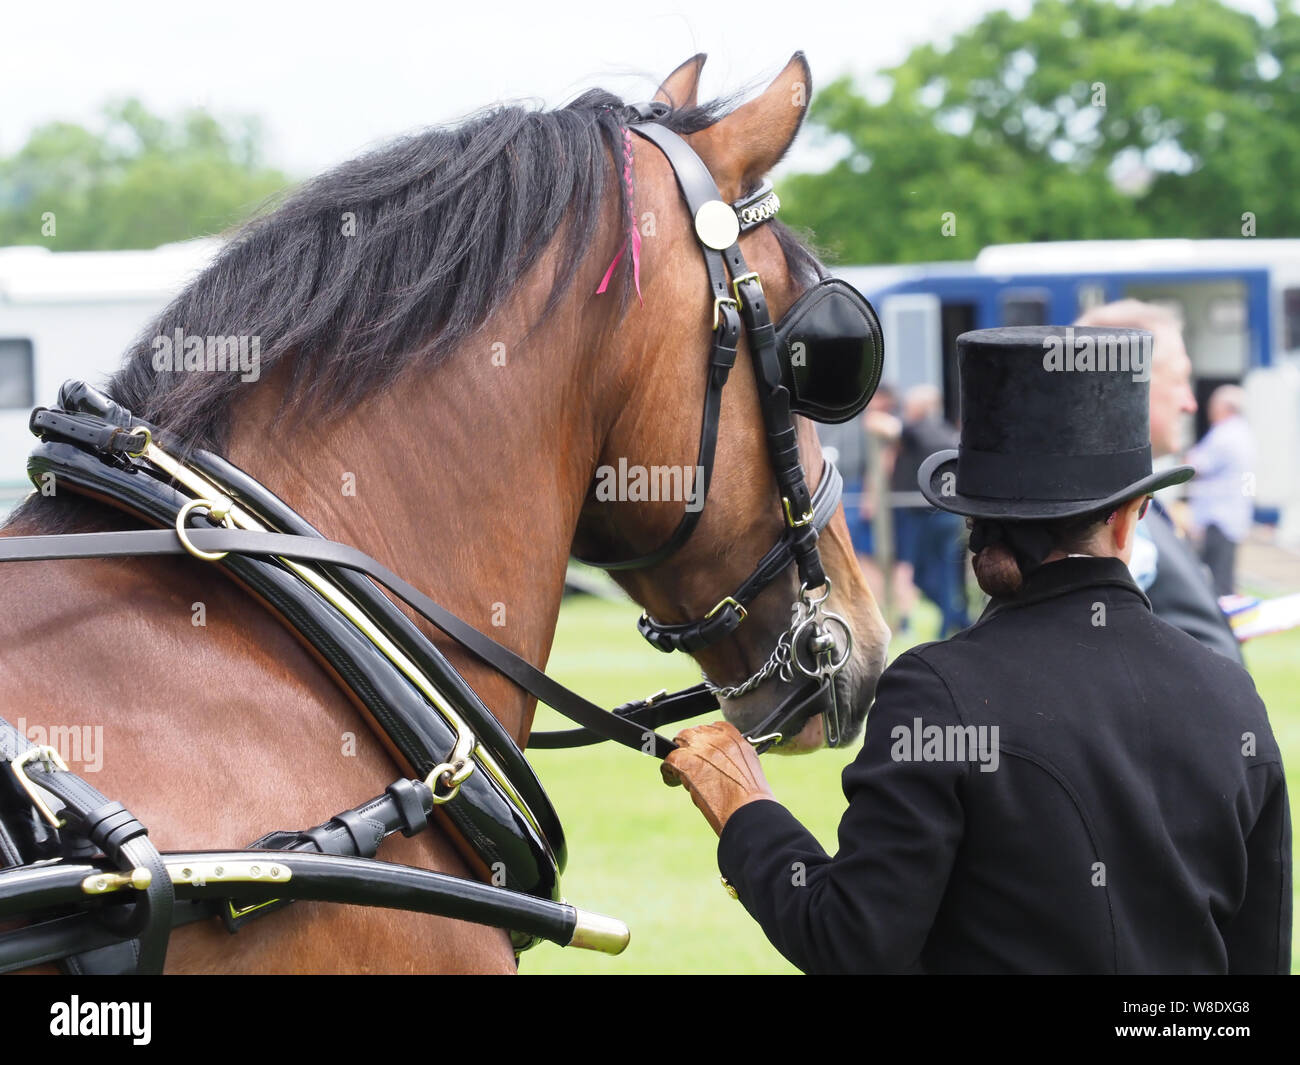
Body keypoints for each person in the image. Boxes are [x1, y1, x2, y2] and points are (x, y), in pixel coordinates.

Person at [662, 325, 1291, 975]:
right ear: (1132, 516)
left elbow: (853, 940)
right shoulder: (1233, 696)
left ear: (970, 517)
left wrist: (745, 807)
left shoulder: (937, 691)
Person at [1074, 301, 1242, 662]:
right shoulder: (1103, 514)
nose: (1190, 403)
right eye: (1179, 379)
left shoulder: (1128, 497)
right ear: (1129, 385)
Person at [890, 385, 970, 637]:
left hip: (928, 517)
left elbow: (885, 426)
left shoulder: (922, 429)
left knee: (926, 574)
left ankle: (953, 622)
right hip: (949, 514)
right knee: (945, 574)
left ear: (921, 407)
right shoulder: (950, 432)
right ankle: (958, 619)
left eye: (910, 405)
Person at [1186, 385, 1256, 596]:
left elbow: (1193, 466)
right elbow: (1249, 481)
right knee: (1224, 578)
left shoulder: (1223, 435)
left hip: (1216, 517)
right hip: (1235, 515)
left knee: (1211, 583)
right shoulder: (1246, 434)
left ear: (1225, 407)